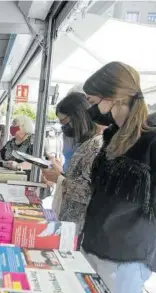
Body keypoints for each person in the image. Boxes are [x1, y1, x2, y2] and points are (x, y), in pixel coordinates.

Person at [81, 62, 156, 293]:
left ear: (114, 98)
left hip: (126, 257)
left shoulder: (152, 142)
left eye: (93, 100)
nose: (92, 108)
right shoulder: (111, 138)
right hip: (93, 245)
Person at [41, 92, 103, 241]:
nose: (63, 128)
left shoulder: (96, 145)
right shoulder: (84, 144)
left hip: (82, 229)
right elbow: (78, 179)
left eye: (65, 122)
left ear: (79, 116)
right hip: (70, 223)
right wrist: (60, 174)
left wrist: (60, 179)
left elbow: (90, 192)